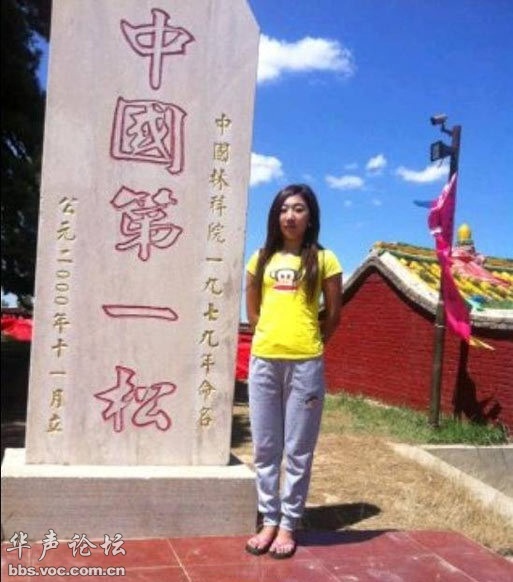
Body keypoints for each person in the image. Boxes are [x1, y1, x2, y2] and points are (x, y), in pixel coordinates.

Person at [244, 184, 342, 559]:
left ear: (310, 217)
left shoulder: (325, 259)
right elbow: (253, 311)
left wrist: (310, 344)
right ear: (276, 216)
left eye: (299, 209)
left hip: (305, 364)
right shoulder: (261, 258)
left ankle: (289, 523)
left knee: (298, 450)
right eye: (284, 209)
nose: (290, 216)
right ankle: (269, 519)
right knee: (266, 447)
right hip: (264, 361)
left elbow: (334, 314)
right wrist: (270, 338)